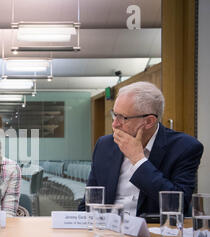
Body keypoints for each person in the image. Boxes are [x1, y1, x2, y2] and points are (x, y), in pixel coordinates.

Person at [78, 81, 203, 216]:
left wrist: (138, 159)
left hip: (151, 232)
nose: (114, 124)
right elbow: (88, 203)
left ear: (149, 121)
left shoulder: (185, 147)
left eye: (123, 118)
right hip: (107, 230)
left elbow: (178, 205)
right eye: (115, 115)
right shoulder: (105, 145)